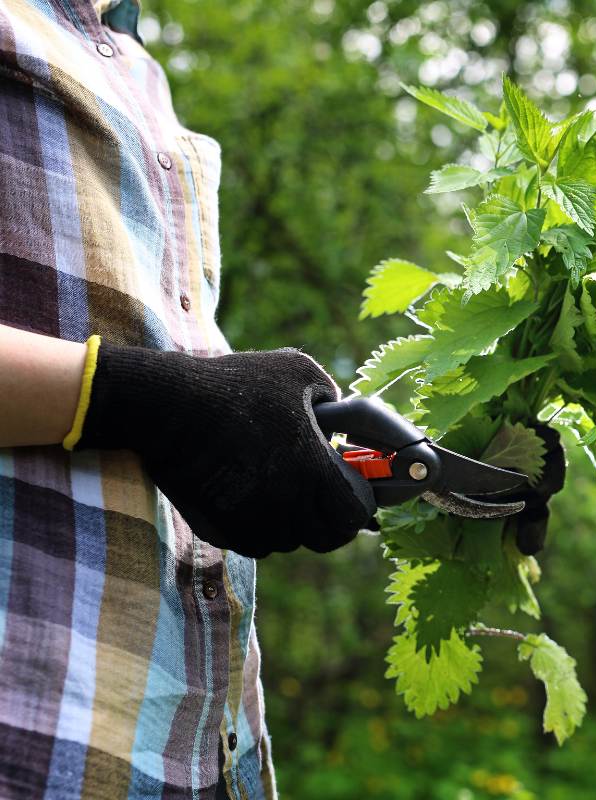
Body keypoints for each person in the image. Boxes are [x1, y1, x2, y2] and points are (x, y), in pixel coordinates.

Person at [0, 1, 376, 797]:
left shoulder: (134, 65)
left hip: (193, 750)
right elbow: (171, 402)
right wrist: (143, 399)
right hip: (32, 727)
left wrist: (452, 466)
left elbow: (203, 419)